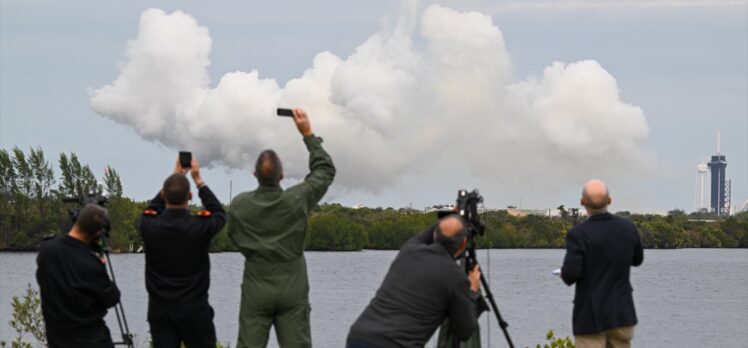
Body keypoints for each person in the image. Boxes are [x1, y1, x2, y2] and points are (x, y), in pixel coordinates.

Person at [228, 107, 336, 348]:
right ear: (282, 175)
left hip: (256, 287)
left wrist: (255, 251)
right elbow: (325, 171)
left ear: (254, 174)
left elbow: (234, 234)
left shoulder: (240, 205)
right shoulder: (296, 200)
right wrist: (307, 134)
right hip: (292, 288)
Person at [346, 214, 484, 348]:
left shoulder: (410, 250)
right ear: (463, 243)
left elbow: (426, 234)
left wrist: (452, 216)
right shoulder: (456, 277)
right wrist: (472, 290)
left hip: (359, 336)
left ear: (435, 235)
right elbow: (465, 331)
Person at [138, 156, 226, 347]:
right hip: (195, 309)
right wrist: (199, 181)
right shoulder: (199, 227)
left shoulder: (149, 225)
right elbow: (219, 213)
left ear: (164, 196)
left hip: (161, 310)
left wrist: (175, 176)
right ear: (190, 197)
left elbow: (151, 208)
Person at [560, 179, 644, 348]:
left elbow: (570, 275)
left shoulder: (578, 234)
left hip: (590, 318)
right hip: (621, 315)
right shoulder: (628, 228)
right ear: (609, 200)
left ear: (583, 202)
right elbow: (637, 260)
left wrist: (564, 271)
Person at [36, 204, 120, 348]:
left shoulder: (46, 251)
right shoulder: (92, 265)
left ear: (77, 222)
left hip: (58, 341)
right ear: (97, 234)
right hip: (93, 341)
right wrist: (101, 264)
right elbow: (112, 298)